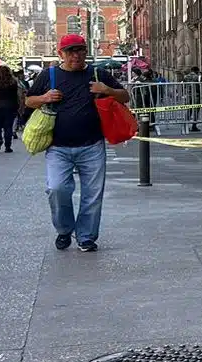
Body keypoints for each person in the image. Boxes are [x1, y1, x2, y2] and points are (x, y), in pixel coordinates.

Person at [24, 35, 130, 252]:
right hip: (57, 147)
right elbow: (28, 100)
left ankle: (86, 237)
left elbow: (125, 96)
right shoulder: (49, 74)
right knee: (56, 189)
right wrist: (44, 98)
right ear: (60, 53)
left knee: (92, 194)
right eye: (70, 51)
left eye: (80, 50)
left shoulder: (98, 74)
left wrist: (107, 90)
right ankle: (64, 230)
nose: (76, 55)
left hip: (92, 145)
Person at [184, 65, 202, 131]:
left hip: (188, 95)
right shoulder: (198, 77)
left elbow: (183, 85)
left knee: (189, 110)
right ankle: (194, 126)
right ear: (196, 71)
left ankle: (186, 125)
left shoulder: (186, 77)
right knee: (196, 111)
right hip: (196, 95)